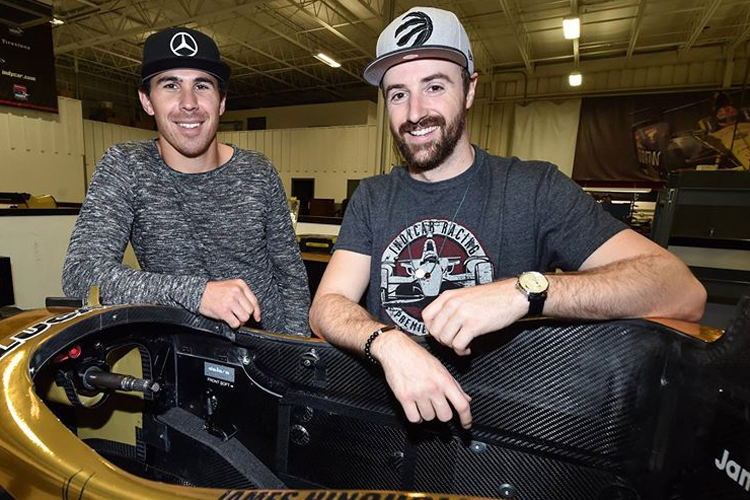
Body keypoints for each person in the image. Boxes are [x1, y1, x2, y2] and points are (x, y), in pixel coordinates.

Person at [309, 7, 706, 428]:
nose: (414, 113)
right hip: (385, 424)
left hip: (498, 435)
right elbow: (327, 306)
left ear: (470, 90)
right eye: (398, 94)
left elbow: (682, 291)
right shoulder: (373, 196)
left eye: (435, 86)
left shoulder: (533, 188)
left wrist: (523, 293)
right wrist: (386, 342)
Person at [63, 27, 310, 335]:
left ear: (221, 102)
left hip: (266, 354)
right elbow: (81, 274)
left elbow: (291, 277)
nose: (189, 102)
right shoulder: (127, 166)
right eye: (170, 85)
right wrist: (197, 293)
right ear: (147, 100)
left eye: (202, 85)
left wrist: (295, 357)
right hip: (177, 359)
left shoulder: (258, 170)